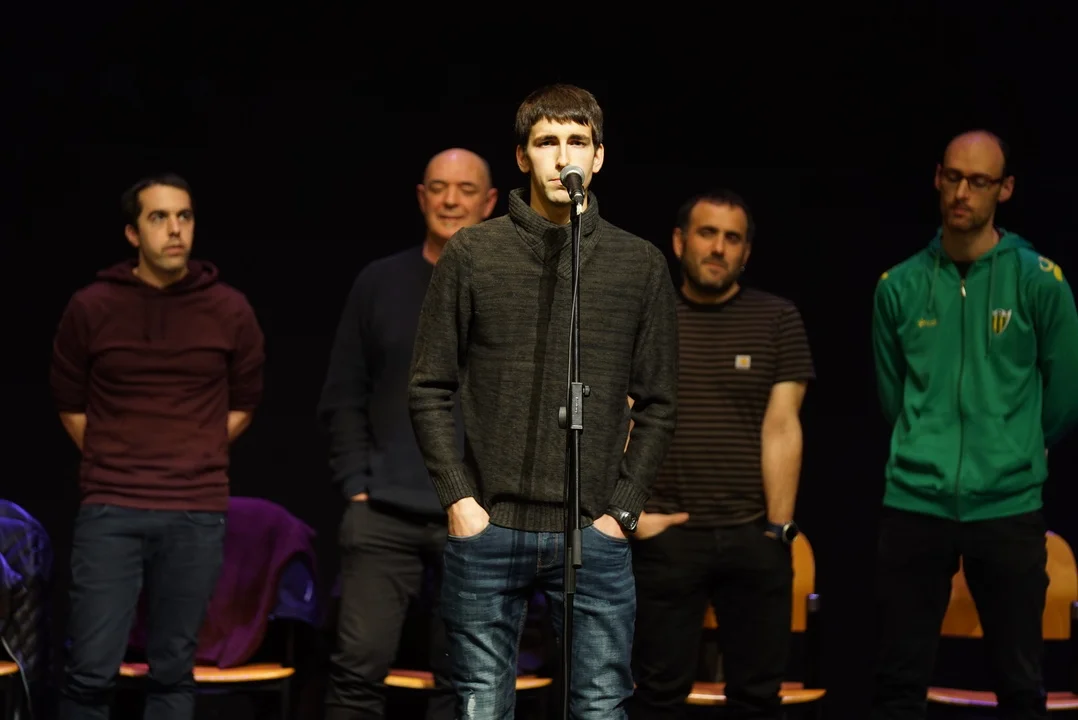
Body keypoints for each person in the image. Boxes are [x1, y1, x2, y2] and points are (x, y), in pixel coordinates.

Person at [408, 83, 680, 719]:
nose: (563, 158)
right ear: (522, 156)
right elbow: (428, 386)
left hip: (592, 531)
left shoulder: (639, 264)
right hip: (489, 524)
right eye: (547, 142)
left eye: (577, 142)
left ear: (599, 156)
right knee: (479, 707)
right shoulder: (472, 253)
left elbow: (660, 402)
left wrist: (622, 512)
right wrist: (459, 500)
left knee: (601, 706)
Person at [870, 130, 1078, 719]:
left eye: (980, 181)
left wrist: (1016, 448)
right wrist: (926, 444)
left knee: (1020, 686)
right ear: (938, 178)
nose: (963, 192)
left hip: (1008, 505)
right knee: (898, 685)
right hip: (915, 502)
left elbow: (1063, 397)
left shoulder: (1040, 281)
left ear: (1004, 189)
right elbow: (892, 397)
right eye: (954, 177)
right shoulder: (898, 286)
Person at [50, 172, 265, 720]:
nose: (175, 229)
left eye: (184, 216)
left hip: (194, 509)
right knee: (90, 671)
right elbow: (69, 401)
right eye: (159, 217)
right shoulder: (92, 306)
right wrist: (115, 455)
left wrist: (195, 450)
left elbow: (245, 400)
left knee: (173, 671)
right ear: (132, 233)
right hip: (111, 506)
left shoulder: (229, 309)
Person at [319, 148, 498, 720]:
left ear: (490, 202)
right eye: (439, 187)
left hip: (477, 516)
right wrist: (357, 485)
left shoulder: (509, 288)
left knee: (466, 681)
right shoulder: (380, 282)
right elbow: (343, 393)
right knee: (357, 669)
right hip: (384, 512)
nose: (451, 200)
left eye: (466, 189)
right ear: (422, 197)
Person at [627, 190, 815, 720]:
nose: (718, 247)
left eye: (733, 238)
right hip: (666, 536)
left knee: (757, 699)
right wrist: (633, 517)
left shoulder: (776, 318)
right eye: (707, 233)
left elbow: (783, 425)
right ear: (679, 241)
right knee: (656, 697)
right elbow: (622, 418)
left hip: (752, 535)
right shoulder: (647, 315)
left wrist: (777, 530)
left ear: (746, 252)